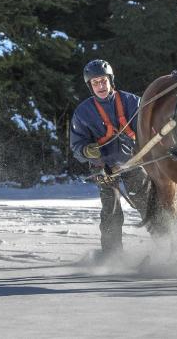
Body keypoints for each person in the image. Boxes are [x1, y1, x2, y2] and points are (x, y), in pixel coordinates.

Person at [70, 59, 152, 257]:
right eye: (95, 82)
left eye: (103, 81)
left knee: (148, 202)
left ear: (111, 80)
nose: (100, 86)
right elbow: (76, 146)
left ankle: (169, 245)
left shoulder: (132, 101)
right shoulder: (82, 112)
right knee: (111, 210)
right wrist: (87, 152)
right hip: (103, 168)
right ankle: (112, 256)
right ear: (90, 86)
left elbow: (151, 127)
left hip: (133, 161)